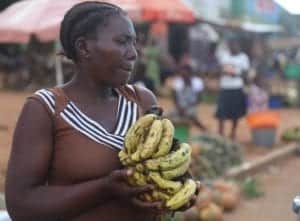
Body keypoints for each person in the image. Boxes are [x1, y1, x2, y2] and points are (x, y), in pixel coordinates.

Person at [5, 2, 199, 221]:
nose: (133, 53)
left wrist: (178, 189)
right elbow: (21, 205)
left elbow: (160, 173)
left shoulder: (142, 101)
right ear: (84, 47)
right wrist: (104, 189)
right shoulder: (45, 109)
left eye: (134, 43)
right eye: (122, 42)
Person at [216, 39, 250, 139]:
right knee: (221, 111)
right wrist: (224, 72)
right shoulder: (224, 56)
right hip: (224, 87)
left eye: (235, 45)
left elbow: (246, 73)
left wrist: (235, 73)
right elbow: (219, 70)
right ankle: (221, 133)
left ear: (238, 45)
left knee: (235, 113)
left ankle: (232, 133)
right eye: (231, 45)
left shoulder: (243, 57)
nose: (233, 47)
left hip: (236, 87)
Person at [169, 65, 207, 131]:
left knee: (190, 114)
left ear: (190, 74)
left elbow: (199, 99)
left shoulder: (197, 82)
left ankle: (203, 129)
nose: (183, 76)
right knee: (168, 116)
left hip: (191, 106)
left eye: (185, 74)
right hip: (179, 106)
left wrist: (186, 108)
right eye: (182, 75)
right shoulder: (177, 82)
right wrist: (179, 108)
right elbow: (175, 98)